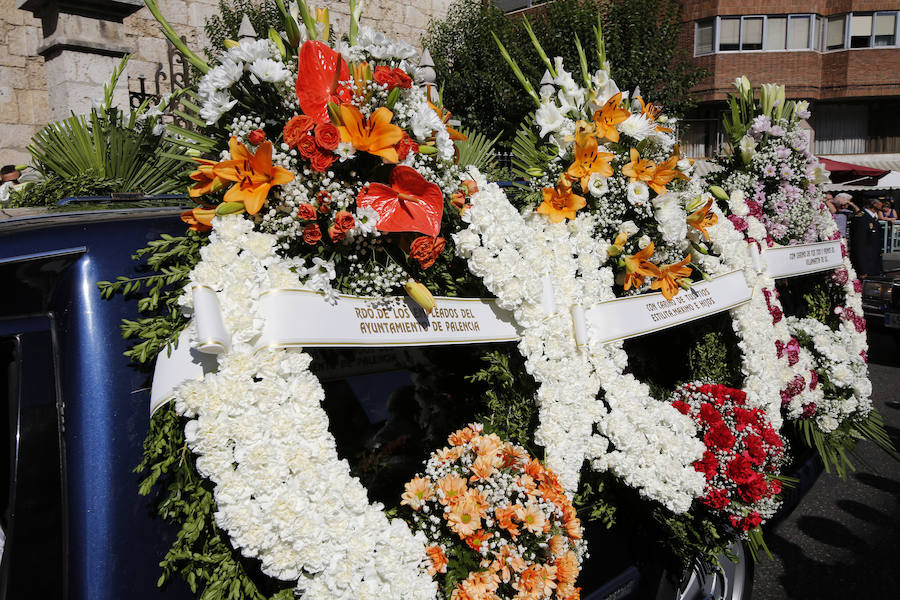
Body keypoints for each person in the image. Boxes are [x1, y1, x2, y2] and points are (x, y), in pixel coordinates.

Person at [849, 197, 883, 277]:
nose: (882, 205)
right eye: (881, 202)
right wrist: (862, 269)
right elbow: (859, 244)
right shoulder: (861, 218)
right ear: (874, 204)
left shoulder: (871, 217)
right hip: (866, 264)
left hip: (873, 263)